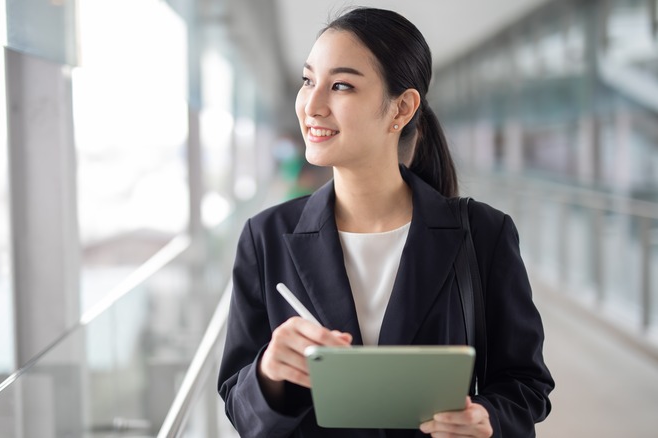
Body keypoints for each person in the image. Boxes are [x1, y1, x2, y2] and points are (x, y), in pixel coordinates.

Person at [217, 7, 553, 438]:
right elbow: (237, 403)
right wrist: (267, 373)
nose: (312, 105)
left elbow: (527, 384)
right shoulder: (266, 238)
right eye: (307, 81)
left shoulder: (483, 234)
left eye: (340, 85)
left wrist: (488, 419)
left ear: (401, 109)